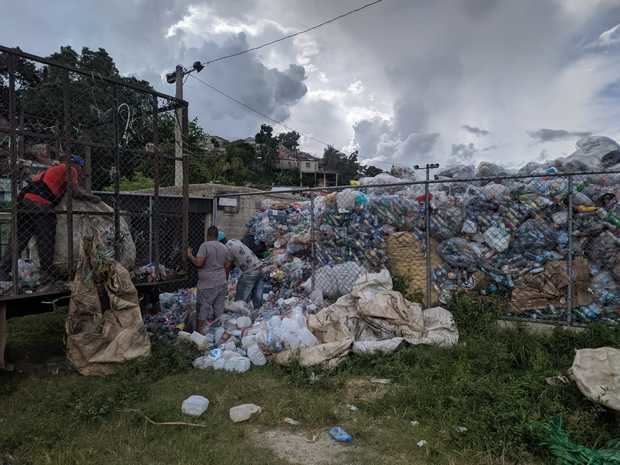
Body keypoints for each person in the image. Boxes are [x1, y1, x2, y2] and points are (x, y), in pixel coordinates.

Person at [0, 155, 100, 286]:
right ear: (75, 164)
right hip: (40, 205)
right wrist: (93, 198)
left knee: (19, 239)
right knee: (46, 239)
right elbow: (75, 192)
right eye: (81, 168)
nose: (81, 172)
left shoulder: (50, 171)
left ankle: (3, 271)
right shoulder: (70, 169)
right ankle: (47, 275)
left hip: (24, 203)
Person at [187, 226, 231, 333]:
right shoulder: (224, 247)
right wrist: (225, 278)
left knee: (203, 309)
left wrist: (189, 255)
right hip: (221, 282)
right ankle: (217, 333)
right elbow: (227, 265)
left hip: (207, 284)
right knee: (219, 309)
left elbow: (199, 263)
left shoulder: (205, 246)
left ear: (208, 235)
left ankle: (198, 334)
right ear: (217, 236)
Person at [219, 231, 264, 310]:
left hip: (250, 271)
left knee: (240, 297)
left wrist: (225, 280)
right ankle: (258, 314)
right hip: (260, 266)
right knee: (257, 297)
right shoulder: (234, 240)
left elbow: (227, 266)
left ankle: (238, 317)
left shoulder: (227, 248)